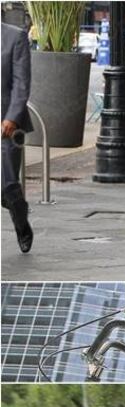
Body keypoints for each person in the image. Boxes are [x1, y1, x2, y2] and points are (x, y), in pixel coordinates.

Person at [1, 22, 33, 253]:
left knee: (8, 183)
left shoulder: (15, 37)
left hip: (8, 124)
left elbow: (21, 83)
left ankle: (21, 224)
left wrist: (11, 117)